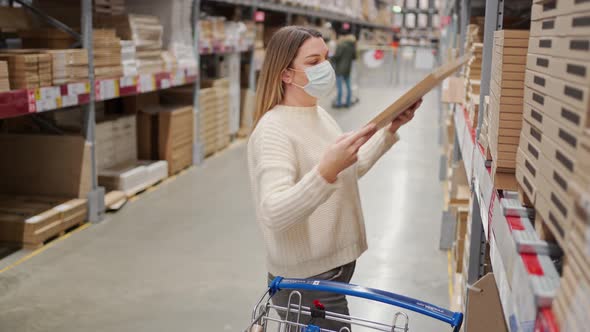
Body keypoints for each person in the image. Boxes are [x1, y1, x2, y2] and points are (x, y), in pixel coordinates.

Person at [247, 26, 422, 330]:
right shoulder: (273, 130)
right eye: (313, 62)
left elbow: (344, 172)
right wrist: (325, 171)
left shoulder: (317, 114)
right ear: (286, 74)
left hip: (331, 272)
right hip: (307, 282)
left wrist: (390, 129)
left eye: (326, 58)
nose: (325, 68)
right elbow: (273, 212)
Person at [331, 33, 357, 108]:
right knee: (348, 87)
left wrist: (330, 59)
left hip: (340, 69)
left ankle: (339, 103)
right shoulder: (352, 47)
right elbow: (354, 57)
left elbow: (337, 56)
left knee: (339, 87)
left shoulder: (341, 45)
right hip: (348, 69)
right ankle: (348, 103)